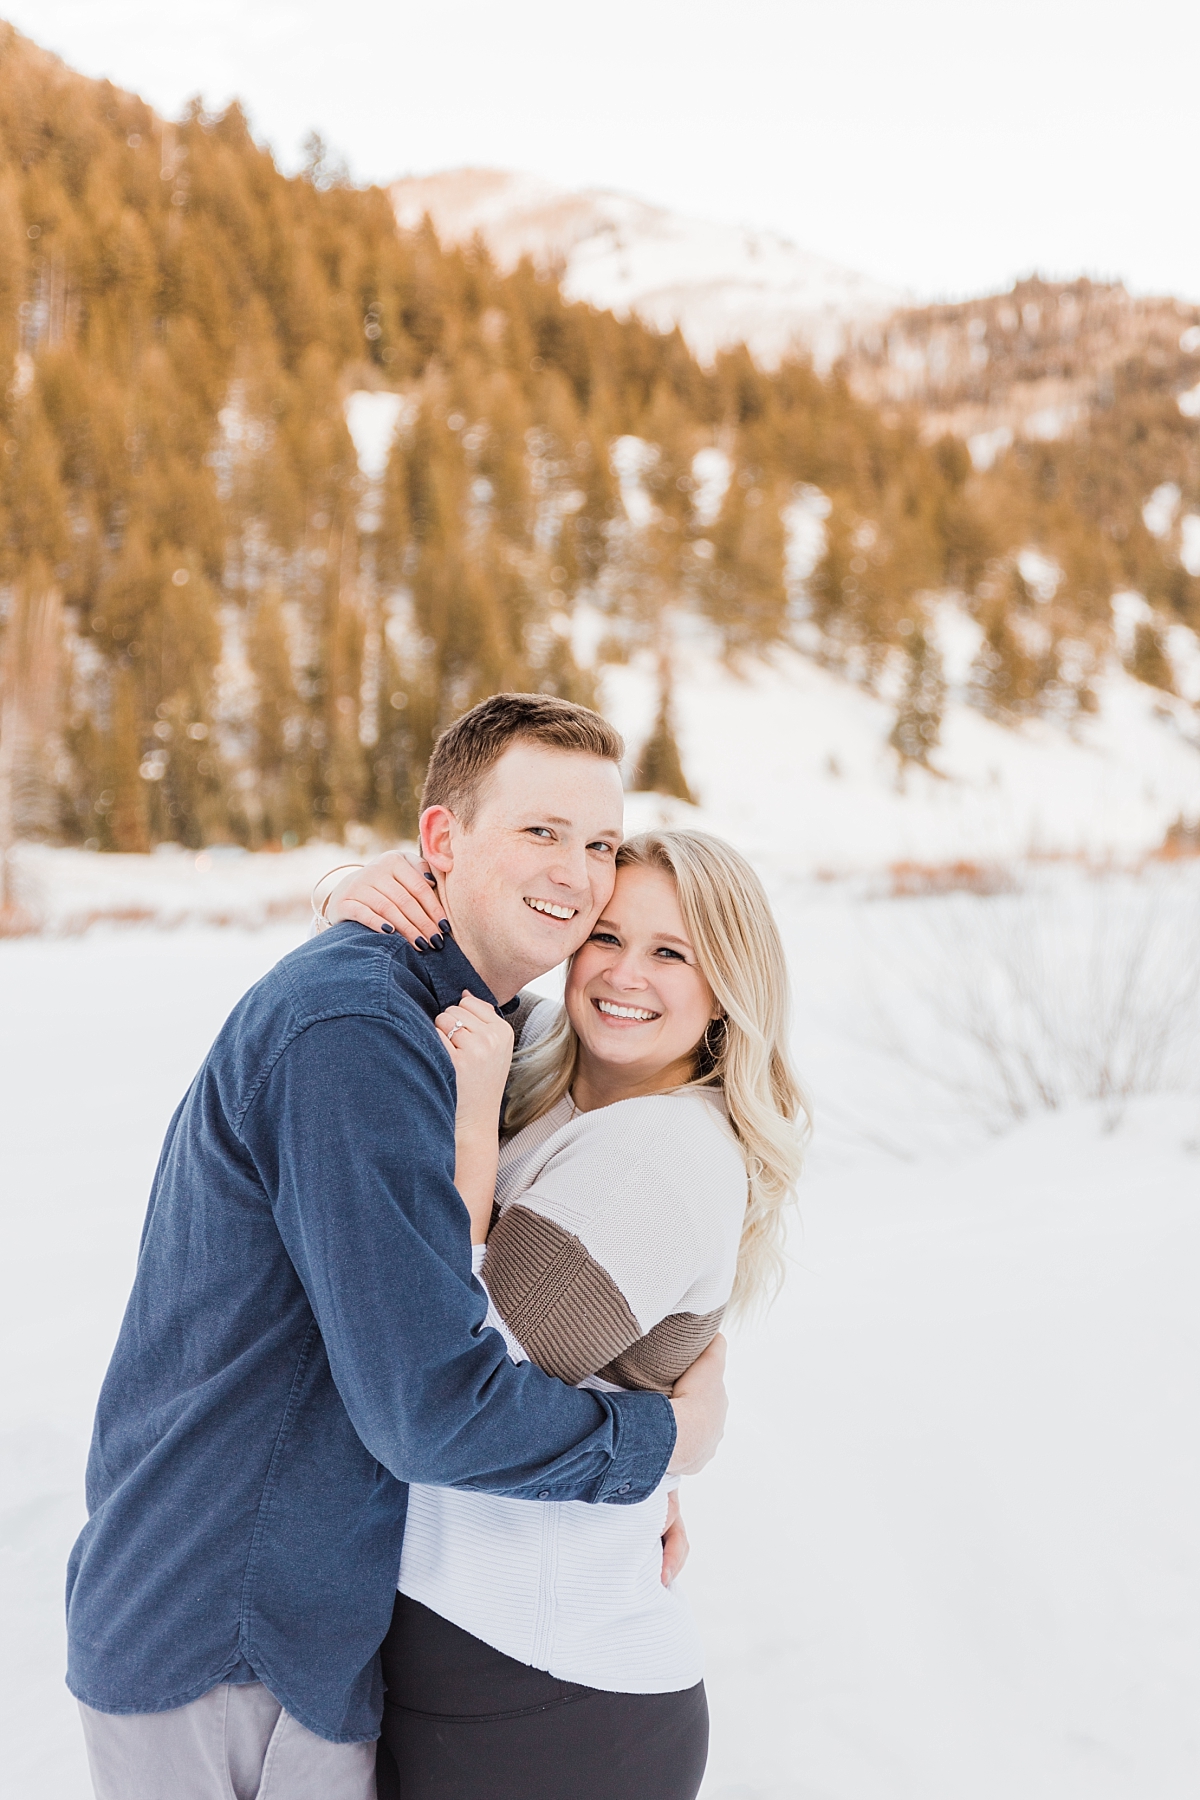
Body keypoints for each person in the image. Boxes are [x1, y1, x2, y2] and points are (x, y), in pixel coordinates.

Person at [66, 694, 729, 1800]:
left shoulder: (452, 1025)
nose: (574, 875)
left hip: (285, 1628)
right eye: (539, 831)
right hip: (233, 1637)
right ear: (440, 842)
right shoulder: (363, 1036)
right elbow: (436, 1407)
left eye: (597, 844)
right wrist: (658, 1442)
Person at [325, 827, 808, 1800]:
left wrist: (468, 1116)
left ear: (727, 992)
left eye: (673, 953)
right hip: (475, 1650)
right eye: (607, 935)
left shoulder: (661, 1154)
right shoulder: (557, 1060)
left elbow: (452, 1381)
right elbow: (437, 959)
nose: (626, 976)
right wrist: (359, 889)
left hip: (552, 1694)